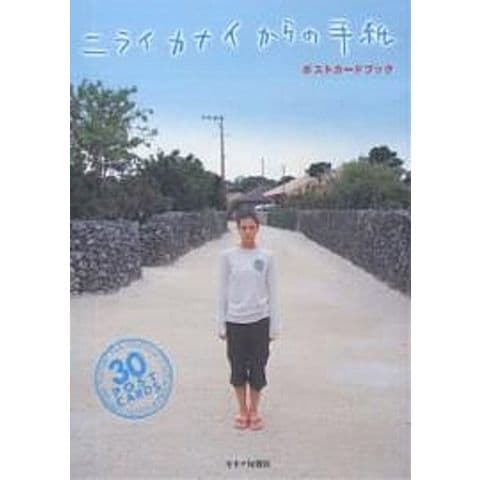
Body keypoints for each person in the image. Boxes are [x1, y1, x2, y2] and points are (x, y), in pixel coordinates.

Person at [216, 208, 280, 430]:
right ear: (238, 229)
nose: (248, 232)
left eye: (252, 227)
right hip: (235, 321)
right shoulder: (227, 257)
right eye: (243, 228)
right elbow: (222, 291)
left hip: (260, 321)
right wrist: (221, 323)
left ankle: (254, 410)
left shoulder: (267, 257)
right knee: (237, 367)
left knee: (258, 367)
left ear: (258, 229)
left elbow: (273, 292)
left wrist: (274, 326)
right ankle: (242, 410)